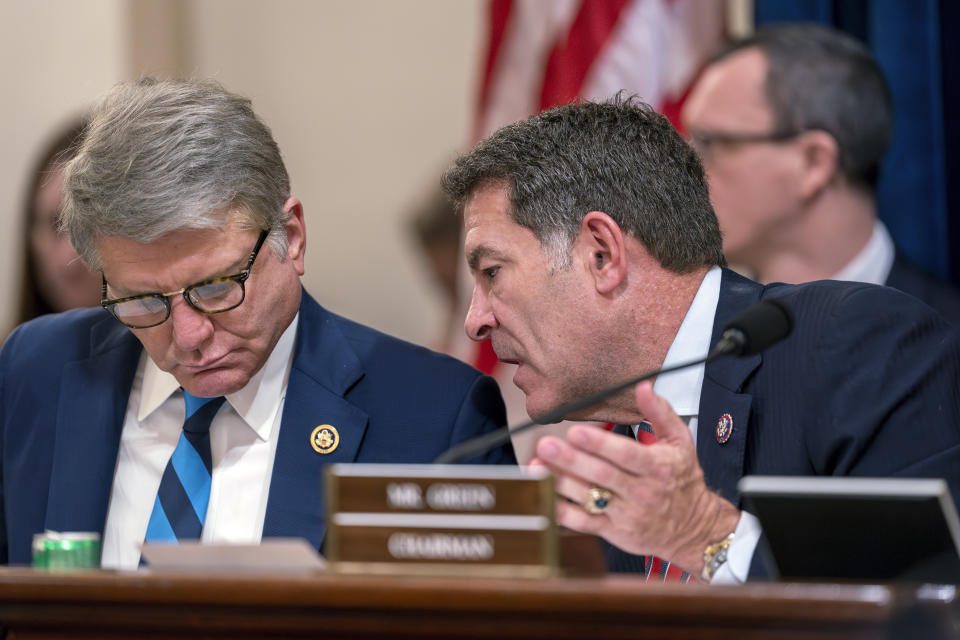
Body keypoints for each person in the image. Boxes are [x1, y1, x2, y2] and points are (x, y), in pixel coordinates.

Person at [442, 95, 960, 582]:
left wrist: (708, 536)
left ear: (601, 254)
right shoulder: (620, 458)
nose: (475, 322)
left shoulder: (854, 343)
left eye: (491, 272)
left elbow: (926, 595)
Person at [0, 78, 514, 568]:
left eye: (216, 287)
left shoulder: (437, 418)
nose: (188, 336)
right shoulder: (37, 371)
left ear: (291, 237)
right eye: (141, 300)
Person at [680, 23, 960, 324]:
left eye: (711, 143)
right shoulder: (690, 340)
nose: (683, 171)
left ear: (814, 163)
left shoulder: (947, 343)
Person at [14, 119, 100, 329]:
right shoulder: (10, 357)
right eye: (55, 225)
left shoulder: (173, 357)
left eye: (87, 228)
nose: (68, 258)